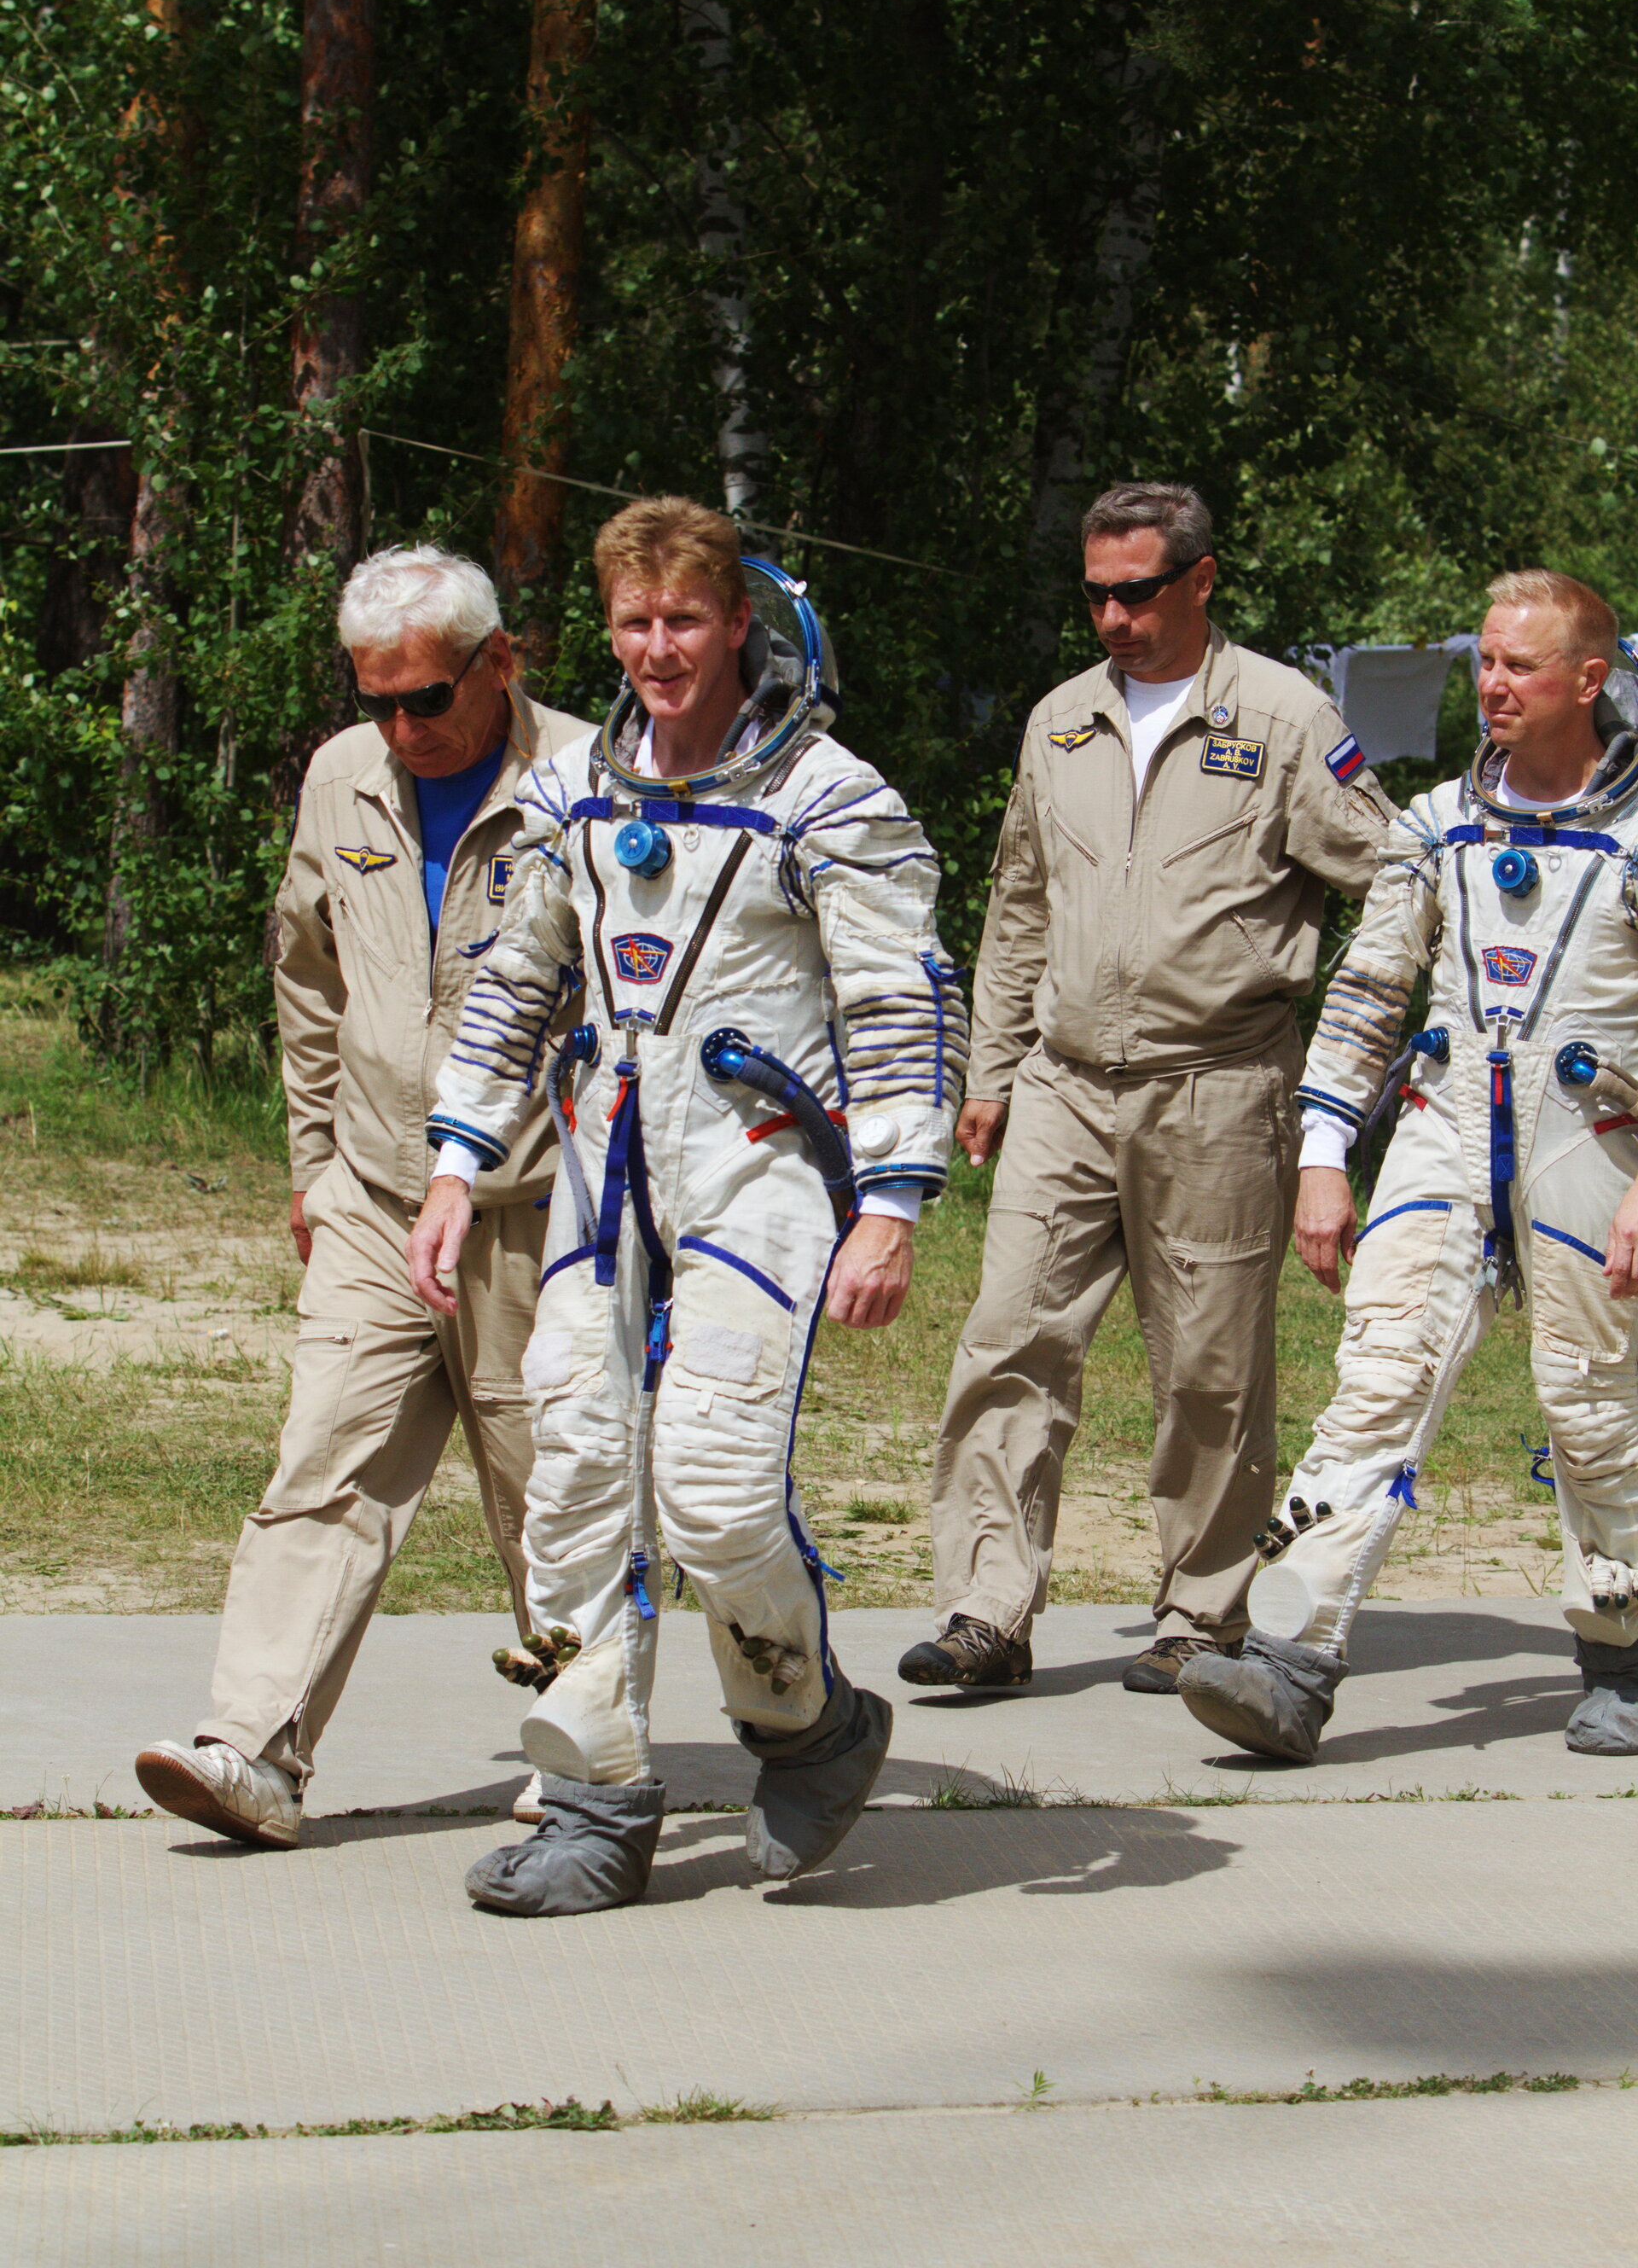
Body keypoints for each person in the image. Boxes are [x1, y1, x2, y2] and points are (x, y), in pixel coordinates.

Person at [409, 496, 967, 1915]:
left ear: (738, 625)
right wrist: (457, 1165)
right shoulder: (567, 793)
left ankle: (806, 1719)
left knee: (713, 1488)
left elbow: (900, 1002)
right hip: (610, 1170)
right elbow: (512, 985)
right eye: (634, 623)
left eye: (685, 621)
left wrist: (893, 1201)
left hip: (761, 1169)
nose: (659, 650)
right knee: (580, 1468)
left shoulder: (831, 799)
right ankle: (597, 1795)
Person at [900, 480, 1390, 1699]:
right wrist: (992, 1063)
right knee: (1009, 1337)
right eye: (1097, 595)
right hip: (1064, 1086)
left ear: (1201, 579)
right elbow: (1019, 900)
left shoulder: (1282, 715)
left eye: (1138, 592)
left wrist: (1351, 1047)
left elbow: (1396, 874)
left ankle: (1202, 1615)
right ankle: (986, 1611)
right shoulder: (1061, 719)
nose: (1114, 618)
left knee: (1210, 1368)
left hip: (1219, 1087)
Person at [136, 547, 590, 1846]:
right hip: (377, 1195)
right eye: (375, 697)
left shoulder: (590, 784)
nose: (402, 726)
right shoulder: (344, 777)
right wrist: (313, 1164)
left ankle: (583, 1755)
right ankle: (254, 1752)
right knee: (323, 1459)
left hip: (540, 1207)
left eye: (427, 698)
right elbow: (308, 976)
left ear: (501, 664)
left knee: (547, 1490)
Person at [1181, 570, 1638, 1762]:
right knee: (1379, 1379)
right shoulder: (1436, 826)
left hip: (1599, 1142)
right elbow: (1368, 996)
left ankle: (1624, 1646)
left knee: (1594, 1407)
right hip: (1442, 1132)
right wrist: (1325, 1155)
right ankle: (1286, 1658)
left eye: (1520, 667)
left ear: (1589, 680)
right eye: (1484, 661)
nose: (1492, 684)